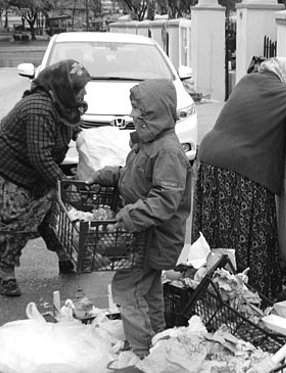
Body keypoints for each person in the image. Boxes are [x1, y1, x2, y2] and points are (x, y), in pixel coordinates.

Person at [0, 59, 91, 297]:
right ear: (63, 89)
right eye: (78, 88)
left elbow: (70, 125)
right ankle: (6, 276)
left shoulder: (66, 103)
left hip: (34, 167)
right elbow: (40, 156)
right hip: (8, 169)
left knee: (53, 210)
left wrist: (84, 139)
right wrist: (64, 183)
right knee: (14, 220)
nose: (83, 93)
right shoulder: (38, 108)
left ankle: (65, 258)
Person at [86, 79, 192, 358]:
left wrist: (130, 215)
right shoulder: (149, 143)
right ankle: (157, 345)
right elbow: (137, 178)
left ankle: (143, 353)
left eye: (141, 112)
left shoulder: (167, 150)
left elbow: (165, 199)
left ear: (156, 115)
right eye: (135, 110)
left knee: (129, 289)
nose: (134, 116)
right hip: (143, 235)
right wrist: (113, 174)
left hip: (153, 236)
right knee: (148, 293)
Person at [191, 57, 286, 301]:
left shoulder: (247, 82)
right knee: (252, 232)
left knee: (216, 235)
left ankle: (211, 291)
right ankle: (250, 295)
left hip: (210, 159)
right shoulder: (282, 91)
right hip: (241, 167)